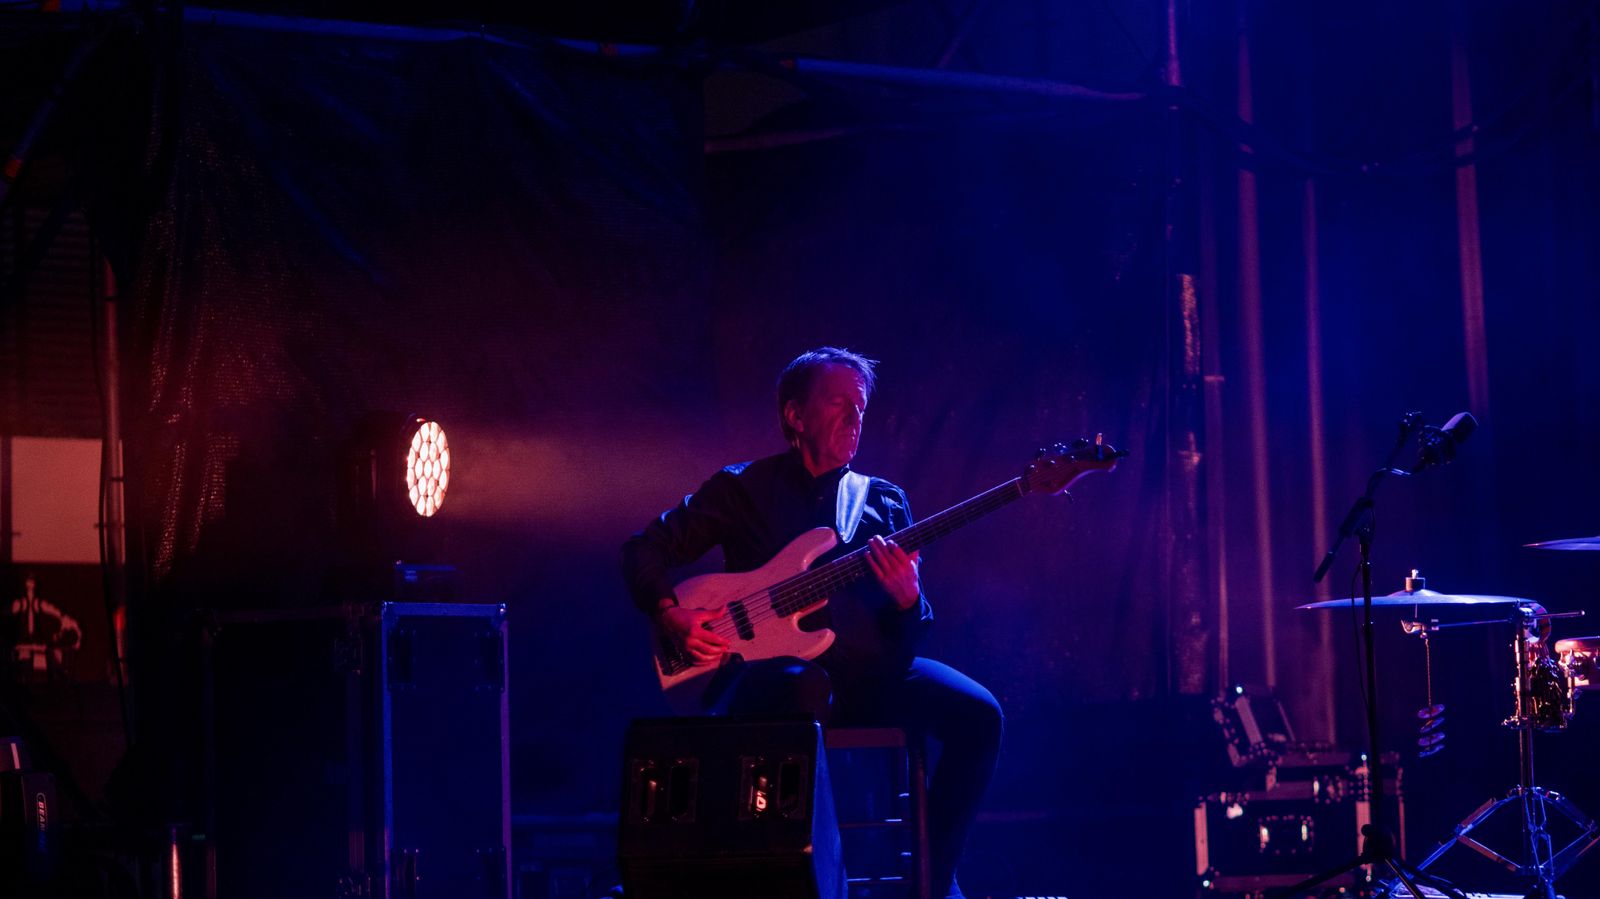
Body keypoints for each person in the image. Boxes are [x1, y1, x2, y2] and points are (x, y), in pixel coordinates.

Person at [621, 347, 1002, 899]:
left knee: (980, 715)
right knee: (802, 686)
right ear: (795, 416)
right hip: (774, 686)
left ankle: (934, 882)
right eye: (838, 403)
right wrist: (671, 614)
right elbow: (642, 550)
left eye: (861, 407)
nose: (854, 417)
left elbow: (910, 632)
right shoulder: (741, 489)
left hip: (872, 679)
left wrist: (907, 598)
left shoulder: (884, 502)